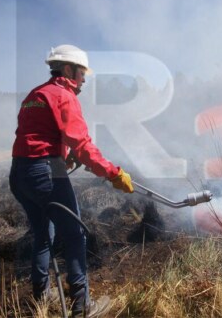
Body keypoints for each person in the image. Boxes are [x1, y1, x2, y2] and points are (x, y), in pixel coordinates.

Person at [9, 44, 133, 317]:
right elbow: (83, 145)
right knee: (75, 236)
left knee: (43, 235)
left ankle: (40, 297)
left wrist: (62, 158)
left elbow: (35, 135)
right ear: (68, 70)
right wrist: (113, 172)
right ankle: (81, 307)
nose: (84, 80)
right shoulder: (64, 95)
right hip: (44, 173)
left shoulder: (35, 94)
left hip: (19, 173)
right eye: (82, 73)